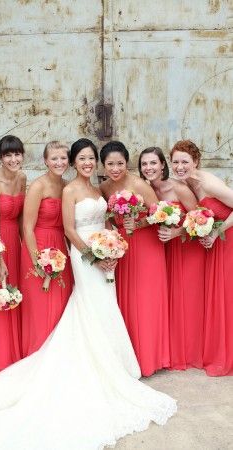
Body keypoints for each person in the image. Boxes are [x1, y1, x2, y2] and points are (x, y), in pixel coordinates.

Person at [0, 138, 176, 450]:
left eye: (90, 159)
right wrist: (91, 255)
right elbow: (64, 229)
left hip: (101, 251)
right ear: (64, 162)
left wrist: (111, 242)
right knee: (89, 304)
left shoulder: (98, 188)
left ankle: (112, 362)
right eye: (78, 159)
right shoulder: (68, 189)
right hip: (83, 253)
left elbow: (107, 219)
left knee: (102, 306)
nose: (85, 163)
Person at [100, 141, 170, 376]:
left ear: (127, 163)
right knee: (126, 300)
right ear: (103, 166)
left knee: (146, 300)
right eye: (110, 164)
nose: (116, 168)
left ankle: (150, 358)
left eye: (120, 163)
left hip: (146, 245)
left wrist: (138, 222)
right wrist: (112, 238)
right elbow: (108, 218)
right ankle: (131, 358)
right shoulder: (105, 187)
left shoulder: (139, 184)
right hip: (122, 246)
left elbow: (161, 214)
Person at [138, 147, 206, 370]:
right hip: (163, 250)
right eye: (144, 164)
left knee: (188, 298)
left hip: (187, 246)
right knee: (171, 300)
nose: (149, 168)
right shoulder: (146, 191)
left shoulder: (178, 188)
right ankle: (171, 351)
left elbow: (201, 219)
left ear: (162, 165)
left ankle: (191, 352)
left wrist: (177, 233)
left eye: (153, 163)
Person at [170, 140, 233, 376]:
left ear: (195, 161)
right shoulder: (186, 184)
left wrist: (217, 231)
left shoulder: (207, 182)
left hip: (229, 239)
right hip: (217, 242)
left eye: (185, 161)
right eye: (175, 162)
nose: (179, 166)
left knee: (227, 296)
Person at [20, 140, 73, 357]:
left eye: (63, 158)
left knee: (61, 301)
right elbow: (27, 227)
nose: (59, 162)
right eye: (54, 158)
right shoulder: (38, 186)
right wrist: (37, 259)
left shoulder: (66, 185)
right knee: (41, 305)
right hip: (38, 245)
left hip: (60, 246)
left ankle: (57, 357)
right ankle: (37, 355)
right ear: (45, 161)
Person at [0, 135, 26, 373]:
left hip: (15, 242)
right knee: (1, 289)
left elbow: (20, 217)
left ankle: (15, 353)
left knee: (16, 292)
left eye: (17, 154)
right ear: (0, 158)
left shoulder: (22, 177)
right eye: (8, 155)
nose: (13, 159)